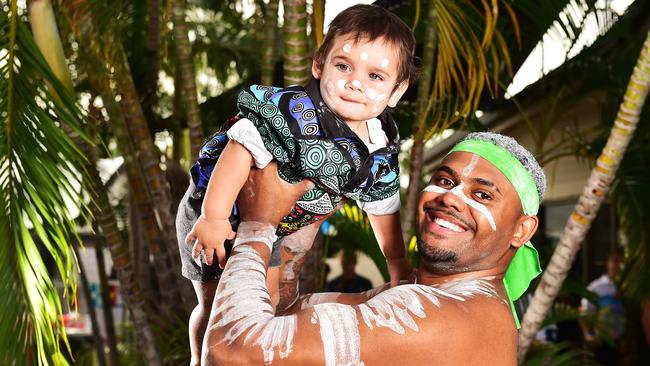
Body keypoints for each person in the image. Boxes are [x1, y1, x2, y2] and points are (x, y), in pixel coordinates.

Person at [176, 5, 419, 364]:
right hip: (220, 209)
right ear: (319, 64)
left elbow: (382, 205)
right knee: (217, 303)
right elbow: (239, 147)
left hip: (273, 227)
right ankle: (202, 358)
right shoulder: (292, 112)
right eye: (343, 66)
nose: (355, 82)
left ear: (397, 91)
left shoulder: (379, 147)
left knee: (266, 302)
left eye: (375, 77)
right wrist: (213, 217)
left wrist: (397, 263)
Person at [202, 132, 546, 365]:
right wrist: (304, 224)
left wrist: (257, 223)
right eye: (445, 181)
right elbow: (282, 313)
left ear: (522, 229)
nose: (449, 199)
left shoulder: (445, 316)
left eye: (482, 195)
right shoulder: (433, 296)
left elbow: (232, 352)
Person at [580, 252, 625, 365]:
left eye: (620, 261)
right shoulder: (596, 287)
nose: (617, 265)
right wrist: (588, 336)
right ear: (607, 264)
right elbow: (582, 311)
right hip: (602, 342)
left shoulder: (629, 286)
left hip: (623, 344)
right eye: (614, 261)